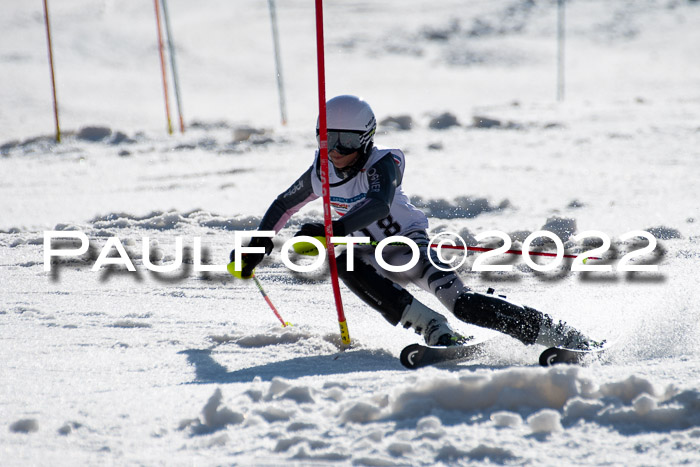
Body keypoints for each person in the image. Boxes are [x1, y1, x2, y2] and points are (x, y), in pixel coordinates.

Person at [230, 95, 596, 349]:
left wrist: (332, 230)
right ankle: (432, 327)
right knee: (341, 258)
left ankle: (553, 332)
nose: (335, 151)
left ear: (367, 138)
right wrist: (259, 245)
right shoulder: (321, 171)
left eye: (344, 142)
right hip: (371, 255)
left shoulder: (383, 164)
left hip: (409, 248)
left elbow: (377, 204)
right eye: (327, 139)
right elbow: (283, 205)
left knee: (465, 306)